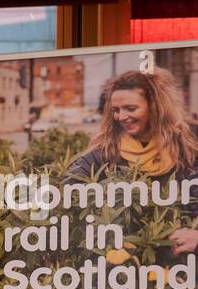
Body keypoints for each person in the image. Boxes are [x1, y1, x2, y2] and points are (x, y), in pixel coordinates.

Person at [67, 67, 198, 267]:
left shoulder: (189, 146)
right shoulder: (105, 153)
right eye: (116, 110)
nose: (121, 117)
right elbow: (68, 189)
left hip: (186, 271)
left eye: (130, 108)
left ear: (155, 106)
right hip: (128, 271)